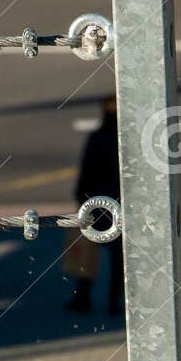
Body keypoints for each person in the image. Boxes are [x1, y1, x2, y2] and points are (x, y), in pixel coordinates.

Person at [67, 96, 124, 316]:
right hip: (119, 204)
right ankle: (115, 300)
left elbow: (87, 169)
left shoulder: (97, 137)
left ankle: (82, 296)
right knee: (119, 257)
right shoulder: (126, 139)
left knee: (87, 253)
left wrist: (80, 198)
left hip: (94, 203)